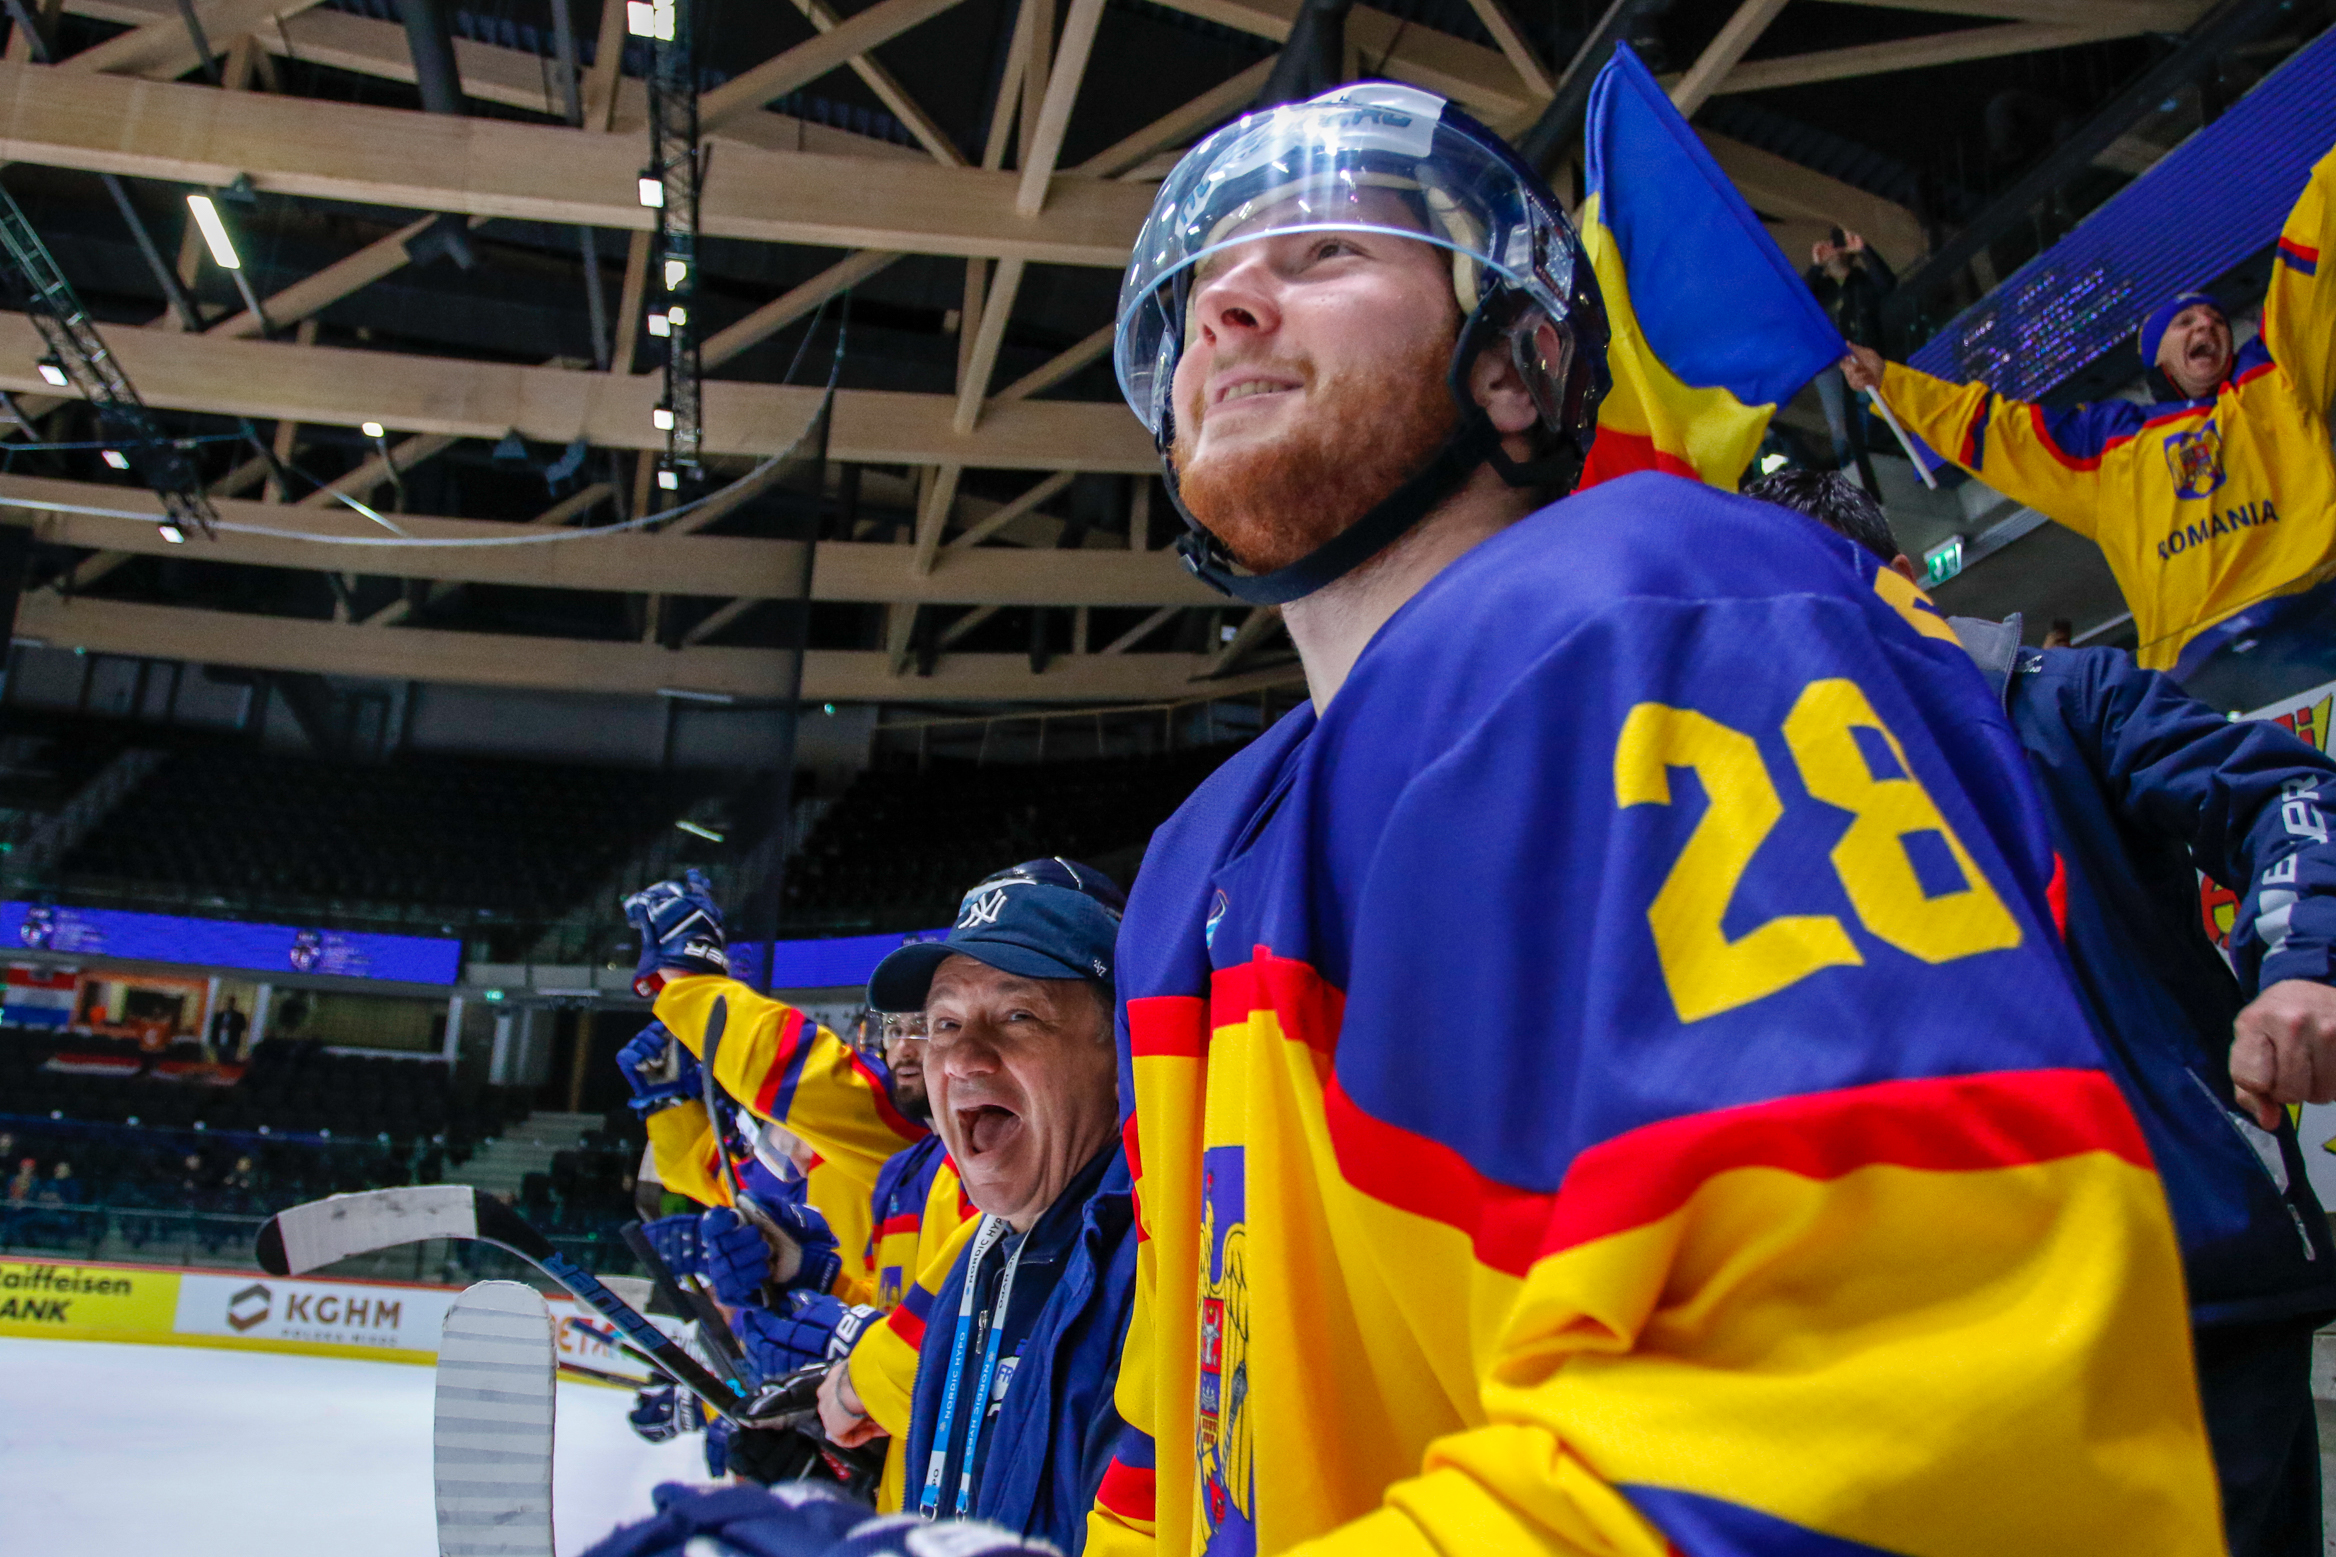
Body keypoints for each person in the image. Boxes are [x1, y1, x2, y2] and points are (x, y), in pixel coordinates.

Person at [592, 79, 2224, 1557]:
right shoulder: (1201, 857)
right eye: (1205, 285)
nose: (1224, 303)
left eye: (1323, 254)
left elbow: (1908, 1403)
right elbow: (1194, 1409)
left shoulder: (1665, 611)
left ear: (1522, 360)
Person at [1747, 466, 2336, 1556]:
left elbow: (2284, 795)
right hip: (1962, 1361)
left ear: (1880, 580)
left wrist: (2302, 964)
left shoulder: (2065, 697)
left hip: (2188, 1303)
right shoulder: (1771, 821)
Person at [1840, 141, 2336, 686]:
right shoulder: (2107, 446)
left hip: (2317, 630)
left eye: (2215, 320)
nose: (2206, 328)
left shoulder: (2275, 383)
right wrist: (1892, 383)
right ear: (2154, 354)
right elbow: (1999, 431)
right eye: (2184, 322)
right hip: (2204, 685)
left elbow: (2310, 263)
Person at [784, 859, 1130, 1552]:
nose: (963, 1059)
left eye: (1017, 1014)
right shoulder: (982, 1262)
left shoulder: (1162, 1269)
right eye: (944, 1023)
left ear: (1120, 1043)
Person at [1803, 227, 1895, 494]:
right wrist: (1816, 267)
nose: (1836, 251)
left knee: (1874, 409)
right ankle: (1851, 473)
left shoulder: (1863, 282)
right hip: (1833, 366)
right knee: (1839, 422)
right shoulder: (1821, 290)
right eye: (1832, 246)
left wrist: (1864, 251)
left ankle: (1878, 461)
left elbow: (1887, 284)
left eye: (1839, 246)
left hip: (1865, 355)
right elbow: (1799, 304)